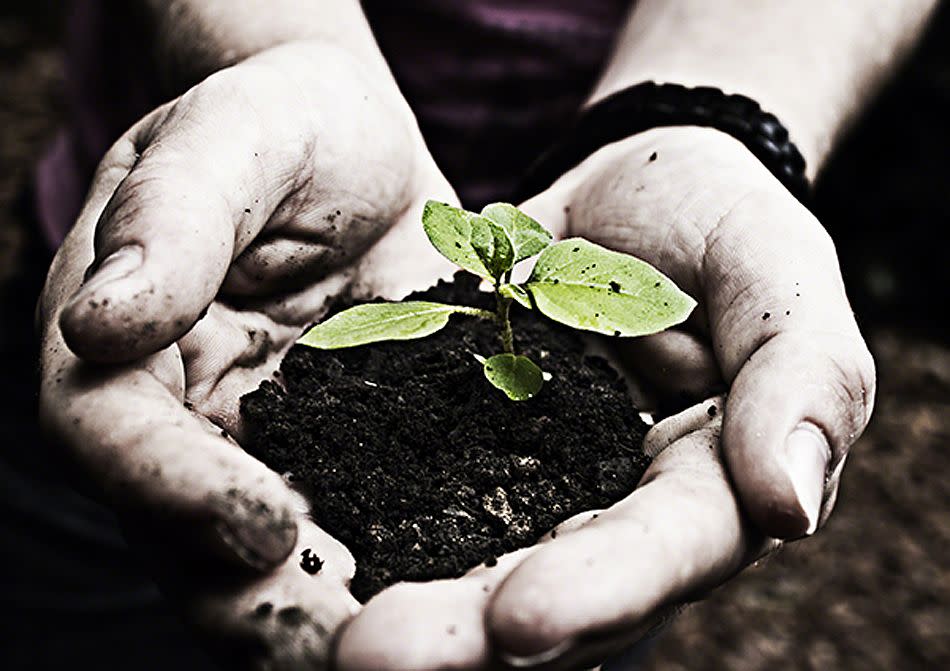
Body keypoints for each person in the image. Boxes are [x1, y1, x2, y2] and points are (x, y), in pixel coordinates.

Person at [28, 0, 937, 669]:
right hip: (214, 304)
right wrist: (283, 49)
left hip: (589, 463)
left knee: (553, 611)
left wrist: (699, 116)